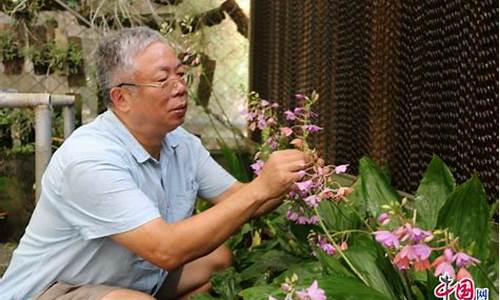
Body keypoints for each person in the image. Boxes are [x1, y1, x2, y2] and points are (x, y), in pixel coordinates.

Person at [0, 27, 308, 300]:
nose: (180, 87)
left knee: (216, 260)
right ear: (121, 98)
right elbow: (166, 250)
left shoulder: (181, 143)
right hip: (52, 289)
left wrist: (295, 179)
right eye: (163, 79)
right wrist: (261, 188)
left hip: (123, 281)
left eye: (180, 74)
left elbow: (239, 198)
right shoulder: (90, 158)